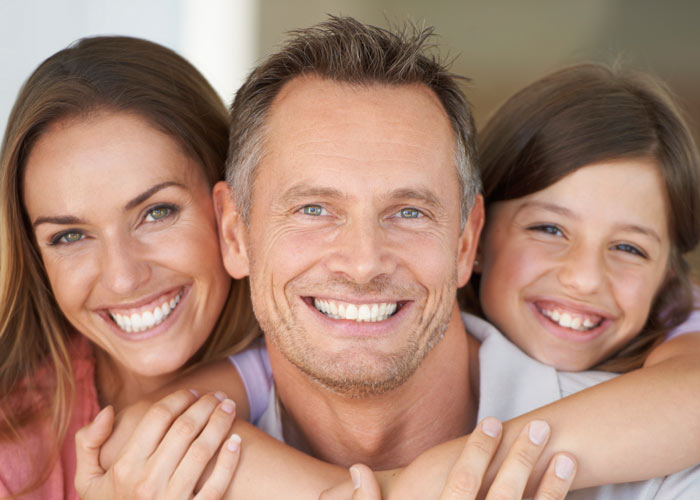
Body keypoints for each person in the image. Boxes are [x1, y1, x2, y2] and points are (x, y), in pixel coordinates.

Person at [80, 16, 700, 499]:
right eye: (314, 209)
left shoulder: (656, 469)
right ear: (234, 233)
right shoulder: (156, 475)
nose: (362, 261)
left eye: (409, 211)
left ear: (465, 241)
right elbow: (144, 425)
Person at [0, 35, 258, 498]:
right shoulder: (12, 447)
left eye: (157, 212)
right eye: (69, 236)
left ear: (229, 210)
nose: (122, 276)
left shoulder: (331, 372)